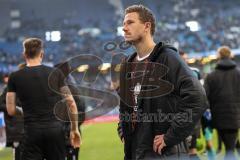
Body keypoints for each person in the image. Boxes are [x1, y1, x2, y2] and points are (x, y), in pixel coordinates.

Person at [118, 5, 207, 160]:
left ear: (147, 26)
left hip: (163, 153)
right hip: (136, 151)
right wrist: (123, 130)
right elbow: (125, 106)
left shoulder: (167, 58)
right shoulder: (127, 65)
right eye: (124, 23)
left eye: (130, 23)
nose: (124, 28)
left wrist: (171, 136)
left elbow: (197, 97)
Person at [6, 38, 81, 160]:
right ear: (42, 54)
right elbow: (71, 103)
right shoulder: (56, 73)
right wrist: (74, 129)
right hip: (55, 131)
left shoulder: (15, 77)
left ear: (24, 54)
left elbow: (10, 110)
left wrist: (22, 111)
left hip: (31, 132)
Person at [204, 46, 240, 159]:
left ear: (218, 57)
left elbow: (204, 96)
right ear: (230, 56)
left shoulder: (211, 76)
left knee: (229, 147)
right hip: (236, 116)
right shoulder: (238, 74)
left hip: (218, 117)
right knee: (230, 147)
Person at [54, 61, 85, 160]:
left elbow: (80, 112)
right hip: (59, 136)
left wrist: (70, 129)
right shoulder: (56, 88)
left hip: (68, 136)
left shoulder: (71, 89)